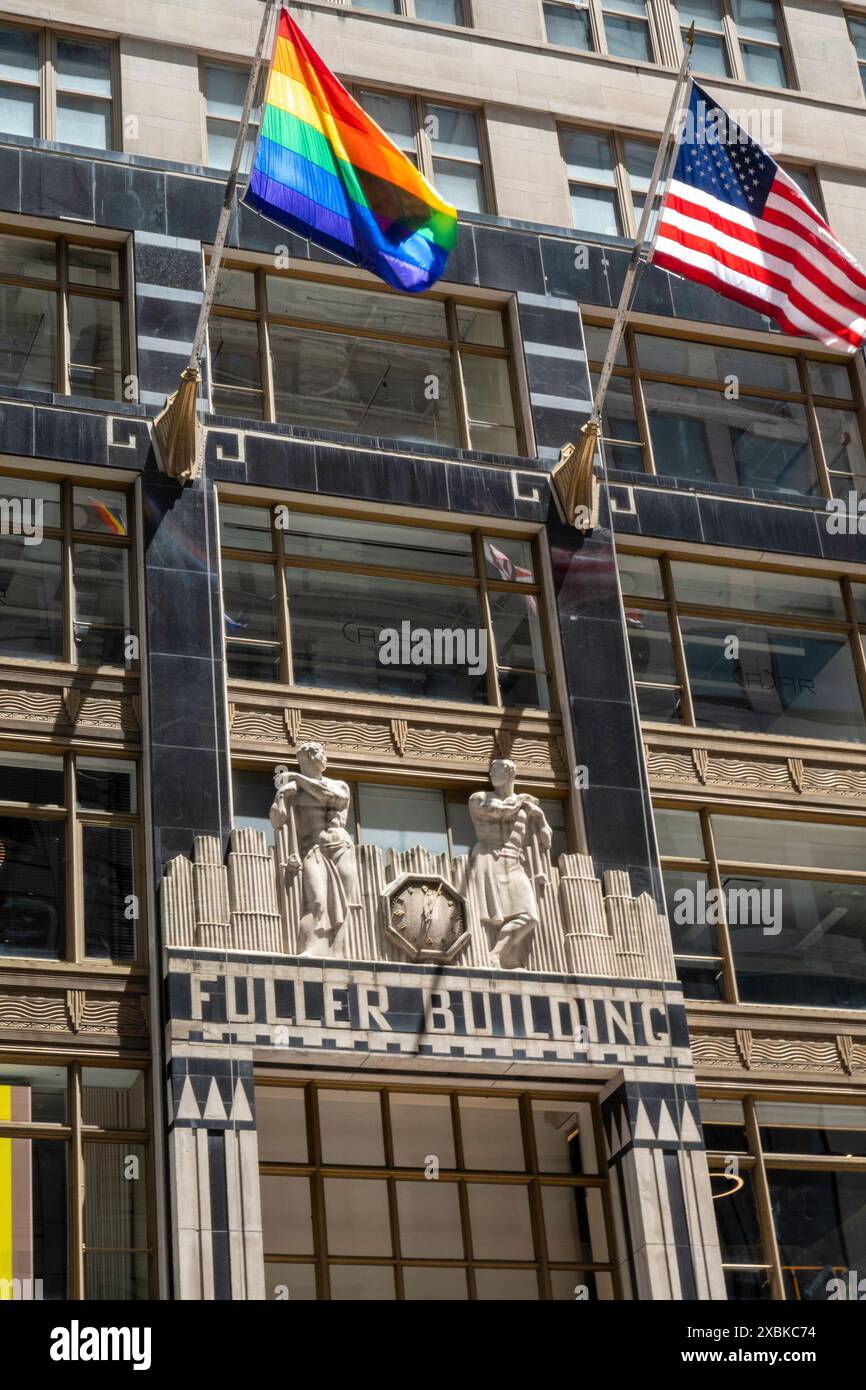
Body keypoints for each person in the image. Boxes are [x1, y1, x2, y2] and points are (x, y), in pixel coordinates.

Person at [269, 741, 359, 958]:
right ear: (307, 759)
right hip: (313, 850)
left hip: (340, 848)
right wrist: (281, 795)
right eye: (321, 754)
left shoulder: (338, 785)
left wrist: (298, 779)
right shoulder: (295, 791)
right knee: (316, 900)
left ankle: (339, 953)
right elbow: (277, 821)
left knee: (344, 906)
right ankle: (310, 947)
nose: (325, 758)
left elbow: (333, 798)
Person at [469, 758, 552, 969]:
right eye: (491, 770)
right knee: (498, 915)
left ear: (511, 774)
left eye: (498, 770)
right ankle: (501, 957)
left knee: (530, 916)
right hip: (490, 856)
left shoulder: (525, 807)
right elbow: (498, 811)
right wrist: (522, 800)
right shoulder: (479, 798)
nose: (492, 773)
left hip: (514, 861)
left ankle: (498, 953)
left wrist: (541, 818)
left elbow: (546, 841)